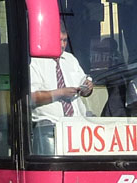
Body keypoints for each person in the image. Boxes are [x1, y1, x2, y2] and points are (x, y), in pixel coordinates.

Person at [30, 23, 94, 153]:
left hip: (76, 125)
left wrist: (88, 87)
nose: (63, 44)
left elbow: (84, 88)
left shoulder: (70, 59)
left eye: (65, 40)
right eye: (59, 40)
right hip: (50, 126)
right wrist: (60, 93)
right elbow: (31, 97)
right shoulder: (36, 61)